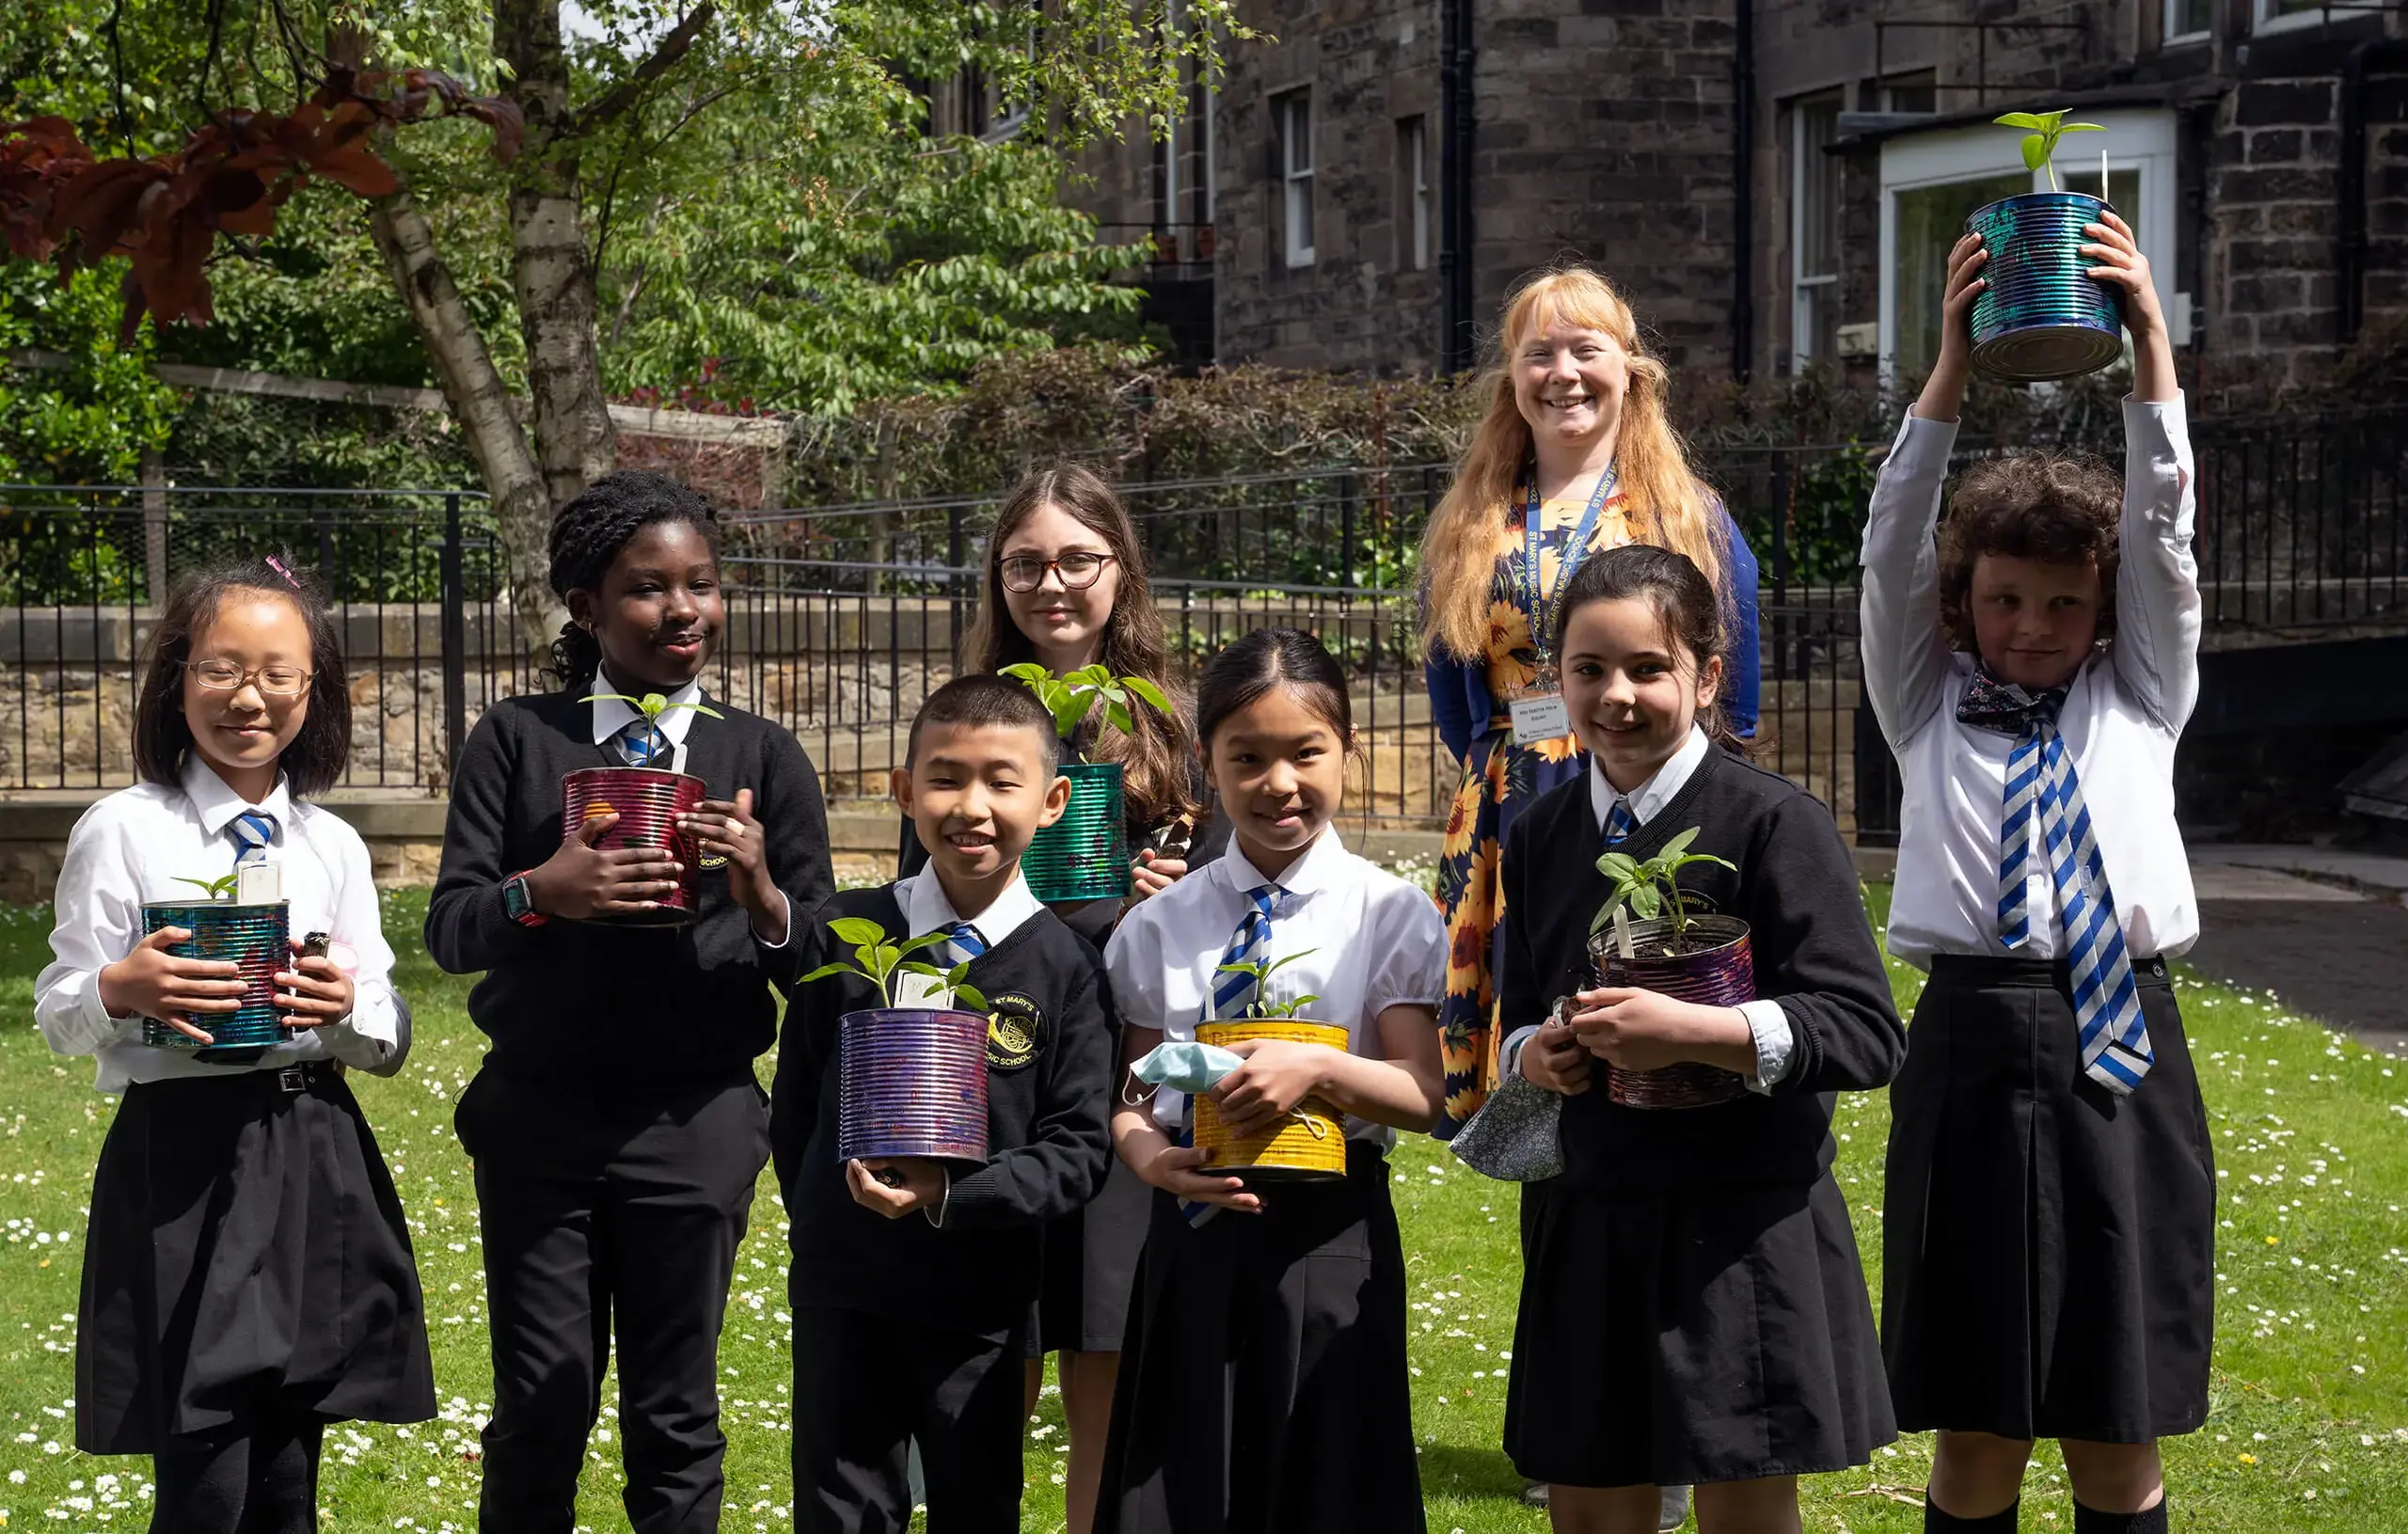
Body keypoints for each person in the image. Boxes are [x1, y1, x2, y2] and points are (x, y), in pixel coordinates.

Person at [1866, 215, 2209, 1534]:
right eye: (2007, 598)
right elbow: (1892, 545)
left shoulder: (2142, 696)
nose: (2034, 626)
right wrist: (1949, 368)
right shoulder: (1924, 701)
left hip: (2120, 1041)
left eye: (2065, 605)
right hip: (1966, 1038)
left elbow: (2164, 544)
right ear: (1969, 597)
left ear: (2100, 612)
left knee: (2114, 1416)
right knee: (1979, 1417)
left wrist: (2151, 354)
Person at [424, 470, 834, 1533]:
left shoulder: (760, 757)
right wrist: (539, 892)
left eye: (701, 583)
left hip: (695, 1121)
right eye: (649, 587)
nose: (682, 608)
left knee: (677, 1411)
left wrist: (763, 896)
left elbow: (822, 961)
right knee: (543, 1399)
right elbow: (450, 925)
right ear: (587, 605)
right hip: (540, 1119)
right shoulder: (518, 739)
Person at [1494, 544, 1903, 1533]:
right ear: (1556, 677)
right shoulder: (1540, 833)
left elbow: (1862, 1029)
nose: (1616, 694)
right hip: (1588, 1203)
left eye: (1648, 667)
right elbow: (1521, 1008)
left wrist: (1699, 1031)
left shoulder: (1773, 823)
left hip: (1739, 1216)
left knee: (1742, 1504)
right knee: (1588, 1499)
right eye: (1588, 669)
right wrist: (1530, 1055)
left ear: (1707, 675)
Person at [36, 554, 433, 1533]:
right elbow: (57, 1003)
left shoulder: (328, 845)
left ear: (314, 689)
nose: (247, 696)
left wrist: (343, 1005)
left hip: (310, 1148)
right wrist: (119, 989)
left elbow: (384, 1033)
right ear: (178, 678)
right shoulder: (123, 829)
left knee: (291, 1458)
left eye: (277, 673)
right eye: (220, 668)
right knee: (205, 1462)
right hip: (181, 1160)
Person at [903, 462, 1226, 1530]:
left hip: (1119, 1063)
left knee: (1102, 1347)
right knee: (984, 1355)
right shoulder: (963, 719)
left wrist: (1179, 897)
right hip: (993, 1059)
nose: (1051, 584)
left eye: (1076, 561)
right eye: (1025, 563)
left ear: (1119, 571)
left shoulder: (1174, 727)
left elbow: (1237, 905)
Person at [1097, 627, 1447, 1534]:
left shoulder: (1391, 913)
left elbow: (1423, 1093)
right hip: (1193, 1238)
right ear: (1207, 764)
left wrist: (1324, 1067)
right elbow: (1133, 1093)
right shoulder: (1158, 924)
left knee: (1327, 1484)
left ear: (1348, 752)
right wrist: (1147, 1160)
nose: (1277, 783)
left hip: (1330, 1239)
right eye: (1245, 757)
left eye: (1305, 753)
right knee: (1187, 1485)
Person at [1421, 265, 1764, 1140]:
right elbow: (1459, 700)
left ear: (1631, 369)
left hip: (1653, 786)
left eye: (1587, 349)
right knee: (1536, 1019)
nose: (1563, 372)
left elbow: (1737, 690)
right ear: (1513, 379)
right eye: (1540, 354)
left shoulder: (1690, 513)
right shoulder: (1471, 520)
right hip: (1509, 796)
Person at [776, 673, 1116, 1534]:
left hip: (984, 1300)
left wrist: (950, 1195)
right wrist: (823, 1215)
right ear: (902, 792)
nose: (972, 805)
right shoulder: (849, 935)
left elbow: (1078, 1147)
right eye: (945, 777)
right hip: (845, 1286)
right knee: (841, 1504)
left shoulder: (1068, 969)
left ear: (1053, 802)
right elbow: (798, 1109)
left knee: (976, 1503)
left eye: (1003, 781)